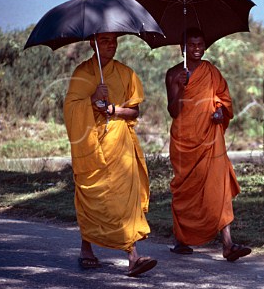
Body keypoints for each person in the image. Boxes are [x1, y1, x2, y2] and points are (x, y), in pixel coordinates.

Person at [63, 32, 157, 277]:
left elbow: (135, 111)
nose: (111, 45)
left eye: (114, 41)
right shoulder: (82, 74)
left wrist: (114, 109)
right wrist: (93, 99)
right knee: (91, 194)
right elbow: (71, 109)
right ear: (92, 44)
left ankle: (133, 256)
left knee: (123, 198)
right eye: (105, 41)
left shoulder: (126, 73)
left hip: (119, 142)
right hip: (91, 144)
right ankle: (87, 248)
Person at [165, 28, 252, 262]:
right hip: (184, 140)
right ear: (182, 48)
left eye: (200, 44)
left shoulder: (211, 71)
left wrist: (219, 112)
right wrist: (181, 87)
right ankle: (181, 239)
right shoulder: (174, 73)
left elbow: (224, 101)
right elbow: (173, 111)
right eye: (191, 45)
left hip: (210, 138)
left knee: (219, 188)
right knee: (185, 190)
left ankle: (228, 244)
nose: (196, 49)